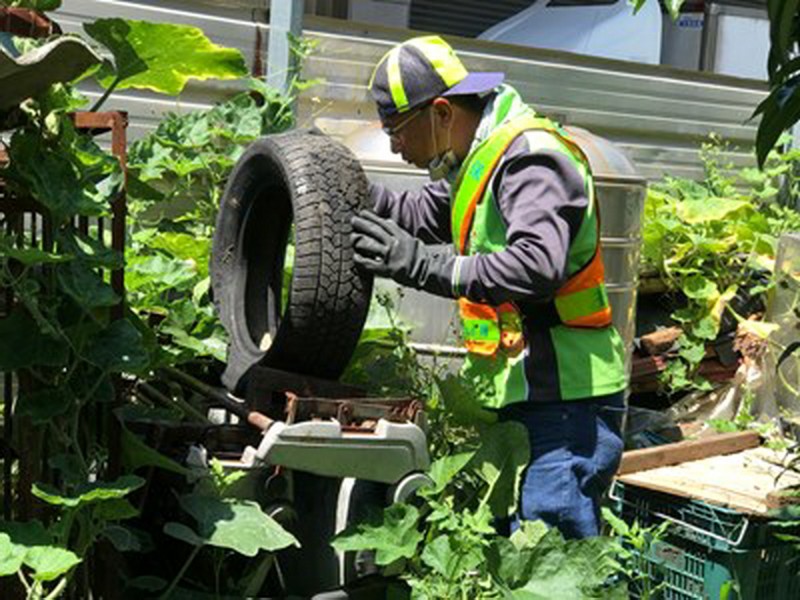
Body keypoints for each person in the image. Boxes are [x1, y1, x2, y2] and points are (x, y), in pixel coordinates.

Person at [350, 35, 626, 539]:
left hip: (566, 402)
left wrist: (422, 266)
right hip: (529, 399)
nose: (394, 146)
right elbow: (419, 214)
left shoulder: (532, 158)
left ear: (440, 112)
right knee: (517, 556)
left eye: (396, 130)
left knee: (550, 565)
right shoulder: (480, 160)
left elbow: (537, 265)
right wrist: (340, 185)